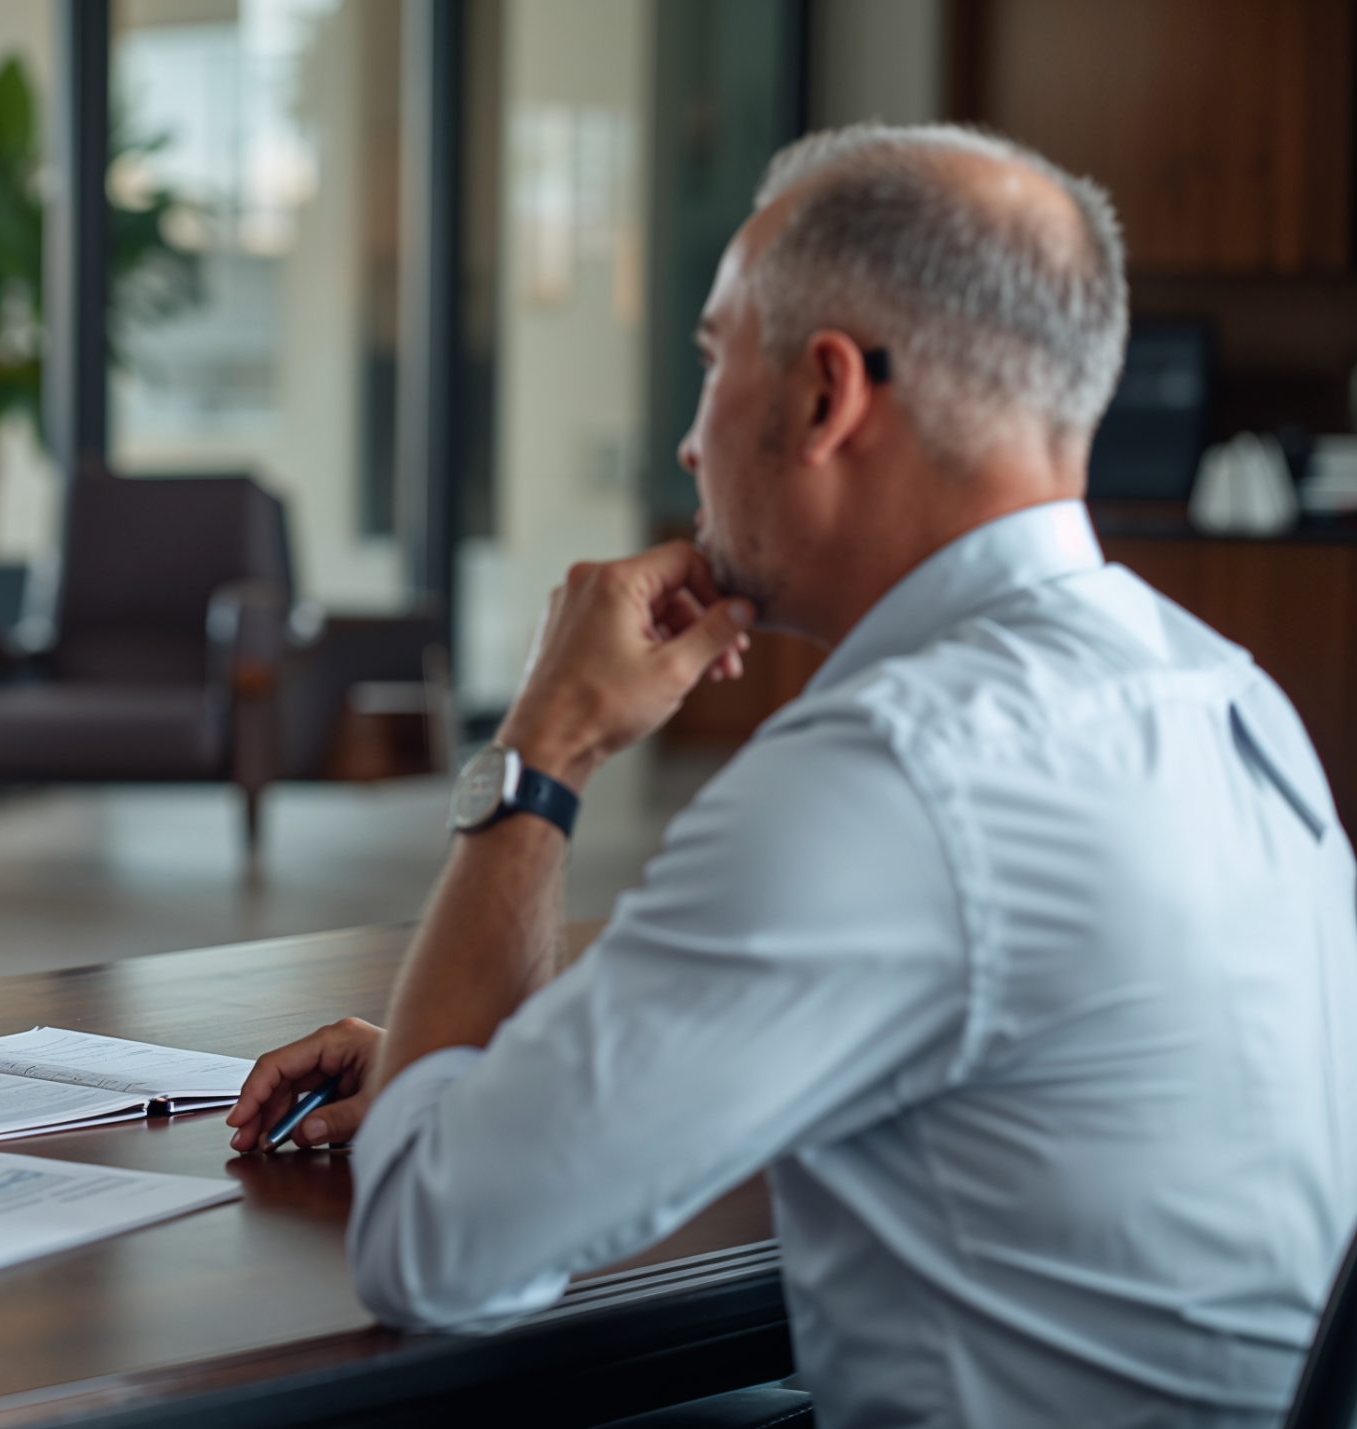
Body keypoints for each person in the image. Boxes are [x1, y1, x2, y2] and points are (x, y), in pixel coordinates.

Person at [226, 123, 1357, 1425]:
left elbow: (430, 1248)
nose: (690, 441)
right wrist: (490, 1078)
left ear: (826, 394)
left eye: (712, 359)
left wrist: (546, 745)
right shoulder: (1222, 693)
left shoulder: (894, 769)